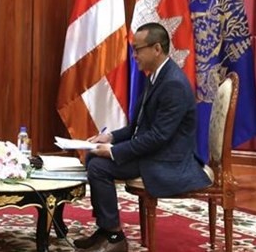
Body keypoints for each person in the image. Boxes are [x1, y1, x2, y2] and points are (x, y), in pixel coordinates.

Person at [74, 22, 211, 252]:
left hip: (168, 159)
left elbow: (159, 136)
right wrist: (109, 139)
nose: (134, 54)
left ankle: (115, 237)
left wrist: (114, 152)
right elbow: (137, 127)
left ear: (156, 49)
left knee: (99, 166)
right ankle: (106, 229)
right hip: (154, 151)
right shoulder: (155, 76)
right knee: (94, 159)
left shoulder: (173, 84)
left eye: (138, 49)